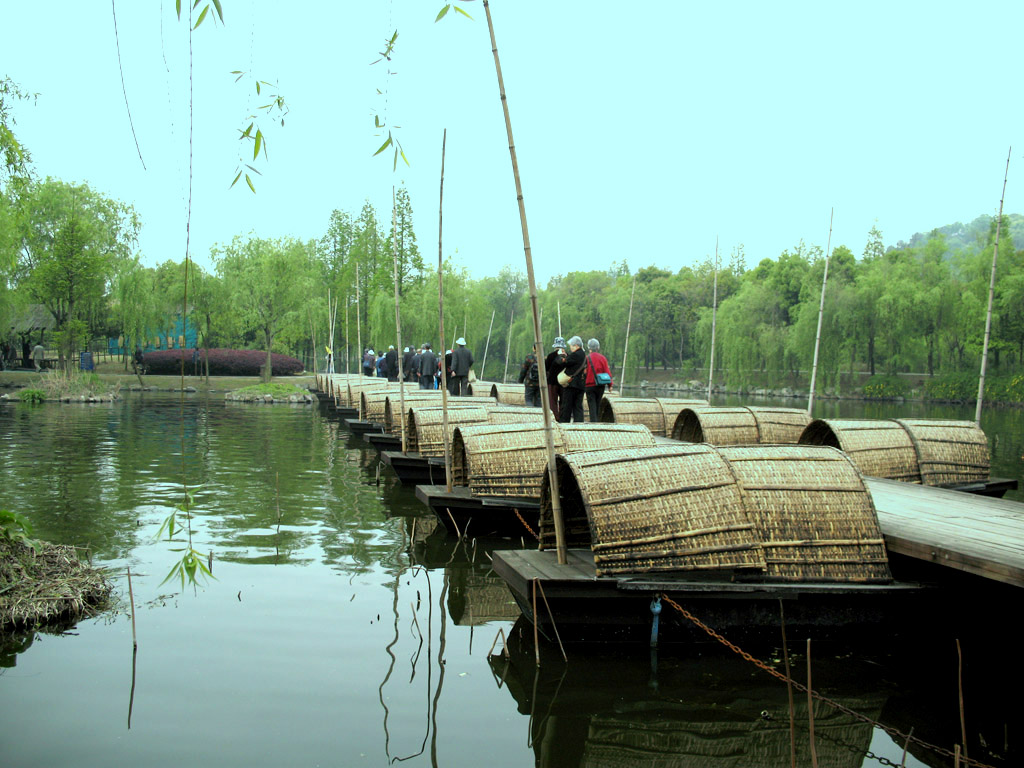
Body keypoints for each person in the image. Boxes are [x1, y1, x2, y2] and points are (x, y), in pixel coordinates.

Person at [558, 336, 587, 422]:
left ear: (576, 345)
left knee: (567, 406)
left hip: (572, 385)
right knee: (578, 407)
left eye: (571, 345)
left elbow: (565, 362)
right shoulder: (583, 355)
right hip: (581, 385)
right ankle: (579, 425)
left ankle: (564, 424)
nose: (570, 347)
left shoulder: (575, 354)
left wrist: (561, 356)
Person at [584, 338, 613, 422]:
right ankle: (597, 420)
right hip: (600, 385)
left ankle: (593, 422)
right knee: (598, 404)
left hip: (589, 385)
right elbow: (607, 372)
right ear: (598, 348)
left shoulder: (586, 358)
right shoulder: (602, 358)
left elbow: (584, 372)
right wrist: (610, 385)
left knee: (591, 405)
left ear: (589, 348)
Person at [545, 337, 568, 419]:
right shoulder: (567, 355)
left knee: (552, 401)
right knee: (563, 401)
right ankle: (562, 417)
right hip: (564, 382)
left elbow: (546, 368)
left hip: (552, 382)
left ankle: (554, 417)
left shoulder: (551, 356)